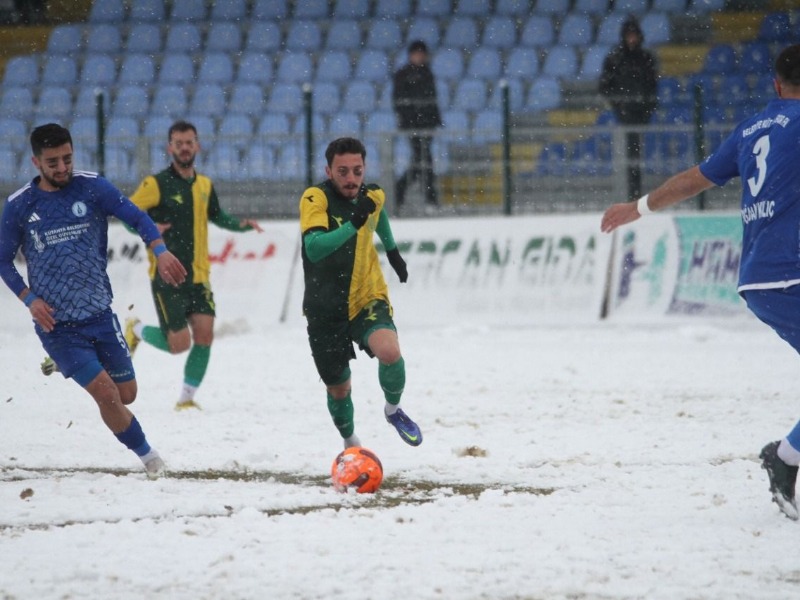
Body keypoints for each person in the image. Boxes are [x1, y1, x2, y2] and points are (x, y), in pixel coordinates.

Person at [600, 44, 800, 521]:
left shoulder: (752, 129)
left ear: (776, 85)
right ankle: (784, 457)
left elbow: (695, 178)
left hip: (758, 278)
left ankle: (786, 457)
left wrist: (638, 206)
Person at [0, 123, 187, 477]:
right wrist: (29, 299)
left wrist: (160, 250)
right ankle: (151, 459)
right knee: (106, 393)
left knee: (126, 393)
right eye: (52, 162)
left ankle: (64, 363)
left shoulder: (92, 187)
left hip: (99, 314)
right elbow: (2, 260)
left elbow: (137, 216)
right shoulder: (20, 205)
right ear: (36, 162)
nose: (61, 168)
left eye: (67, 159)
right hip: (56, 324)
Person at [119, 120, 263, 411]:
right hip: (167, 275)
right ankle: (137, 330)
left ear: (197, 145)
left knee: (205, 336)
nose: (185, 148)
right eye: (179, 143)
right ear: (170, 147)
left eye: (189, 142)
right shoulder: (155, 184)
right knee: (179, 345)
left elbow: (218, 216)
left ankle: (186, 400)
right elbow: (126, 212)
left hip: (200, 276)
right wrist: (148, 230)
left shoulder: (205, 185)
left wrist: (242, 226)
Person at [299, 137, 421, 449]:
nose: (351, 179)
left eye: (357, 171)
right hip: (325, 308)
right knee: (339, 389)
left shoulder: (373, 194)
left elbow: (378, 215)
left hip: (366, 296)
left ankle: (393, 410)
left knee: (390, 353)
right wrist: (354, 222)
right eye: (343, 172)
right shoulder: (315, 199)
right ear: (328, 171)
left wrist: (392, 252)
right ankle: (351, 443)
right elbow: (314, 249)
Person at [599, 15, 658, 200]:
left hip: (642, 116)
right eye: (629, 35)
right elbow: (604, 87)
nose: (632, 39)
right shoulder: (615, 59)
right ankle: (631, 194)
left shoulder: (646, 58)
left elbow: (652, 86)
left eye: (634, 35)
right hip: (623, 117)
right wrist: (620, 105)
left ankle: (637, 194)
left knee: (636, 157)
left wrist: (646, 107)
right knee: (628, 157)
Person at [392, 39, 443, 213]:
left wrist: (435, 119)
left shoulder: (427, 74)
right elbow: (399, 101)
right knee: (423, 160)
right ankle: (429, 198)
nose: (420, 57)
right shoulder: (403, 75)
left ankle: (400, 192)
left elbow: (432, 100)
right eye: (417, 53)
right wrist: (409, 119)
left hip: (426, 125)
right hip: (413, 126)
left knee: (422, 160)